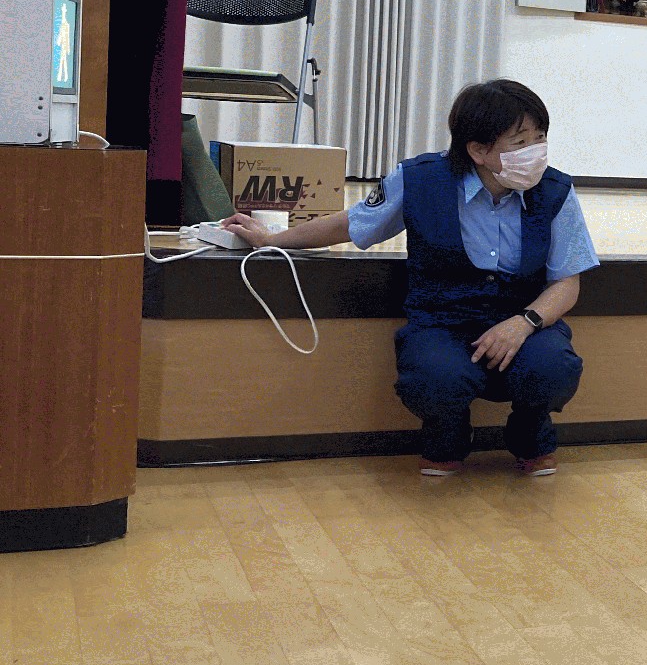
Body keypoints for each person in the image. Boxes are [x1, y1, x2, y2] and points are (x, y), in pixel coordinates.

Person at [220, 80, 597, 478]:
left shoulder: (555, 191)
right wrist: (273, 240)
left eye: (540, 138)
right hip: (443, 321)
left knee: (553, 367)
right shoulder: (420, 179)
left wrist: (523, 323)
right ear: (478, 150)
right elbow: (352, 224)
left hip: (523, 318)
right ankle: (447, 436)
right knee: (434, 377)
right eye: (520, 142)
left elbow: (566, 282)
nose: (535, 152)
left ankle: (530, 434)